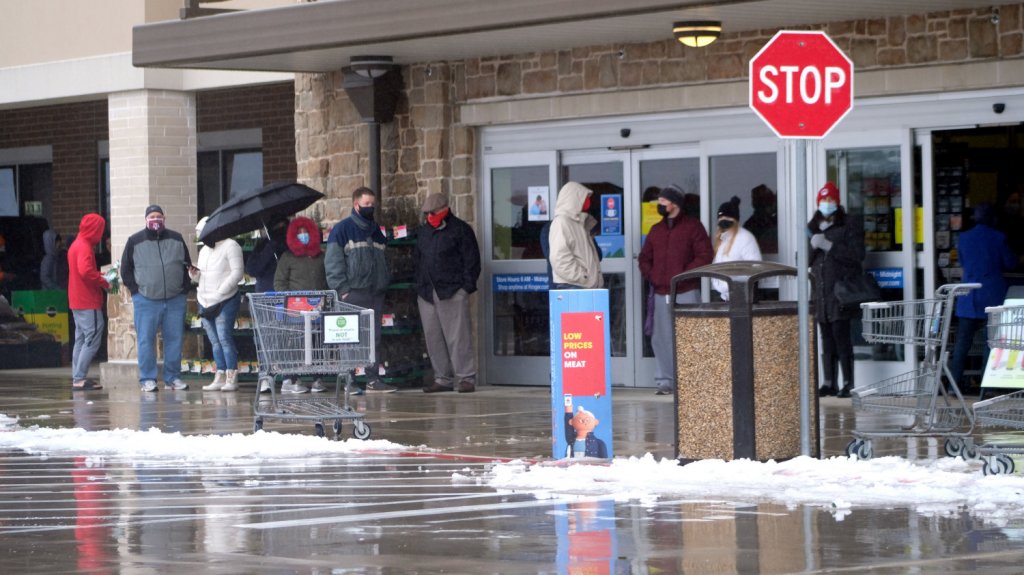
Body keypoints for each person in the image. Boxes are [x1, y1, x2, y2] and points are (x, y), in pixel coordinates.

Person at [638, 184, 714, 395]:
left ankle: (692, 382)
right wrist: (653, 276)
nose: (659, 204)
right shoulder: (656, 230)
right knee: (660, 338)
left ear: (675, 203)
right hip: (661, 293)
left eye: (663, 200)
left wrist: (682, 276)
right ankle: (666, 382)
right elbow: (644, 258)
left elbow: (704, 256)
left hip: (686, 291)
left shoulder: (693, 227)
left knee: (690, 337)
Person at [325, 187, 395, 393]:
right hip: (353, 292)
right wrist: (343, 290)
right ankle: (349, 380)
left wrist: (384, 281)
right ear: (356, 205)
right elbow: (333, 263)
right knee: (349, 338)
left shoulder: (376, 230)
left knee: (373, 338)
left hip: (375, 292)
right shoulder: (342, 230)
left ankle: (373, 379)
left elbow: (385, 258)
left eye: (372, 204)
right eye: (367, 204)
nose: (370, 208)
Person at [120, 205, 193, 392]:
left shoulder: (177, 239)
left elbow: (187, 265)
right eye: (152, 216)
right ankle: (147, 379)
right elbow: (125, 269)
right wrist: (136, 292)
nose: (155, 219)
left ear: (164, 218)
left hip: (175, 299)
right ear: (146, 219)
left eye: (158, 216)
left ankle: (172, 378)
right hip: (146, 300)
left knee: (174, 340)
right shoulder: (134, 241)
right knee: (145, 340)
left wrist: (183, 290)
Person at [415, 193, 482, 393]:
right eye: (427, 213)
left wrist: (465, 288)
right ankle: (442, 378)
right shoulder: (424, 231)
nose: (430, 216)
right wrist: (419, 286)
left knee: (459, 337)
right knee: (433, 337)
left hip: (452, 291)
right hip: (427, 292)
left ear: (444, 209)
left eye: (433, 212)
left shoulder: (461, 229)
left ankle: (466, 377)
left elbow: (472, 261)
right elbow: (418, 259)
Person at [949, 203, 1019, 392]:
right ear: (993, 218)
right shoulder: (998, 237)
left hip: (968, 295)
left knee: (962, 342)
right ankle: (987, 386)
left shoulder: (964, 238)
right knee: (991, 342)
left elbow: (963, 262)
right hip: (992, 296)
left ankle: (953, 385)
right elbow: (1010, 263)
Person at [808, 182, 865, 398]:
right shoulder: (812, 226)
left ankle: (848, 383)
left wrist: (830, 246)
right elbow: (804, 260)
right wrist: (812, 246)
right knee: (826, 339)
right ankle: (829, 382)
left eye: (831, 199)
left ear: (838, 202)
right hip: (820, 293)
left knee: (842, 338)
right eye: (823, 200)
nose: (827, 203)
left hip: (840, 291)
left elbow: (857, 256)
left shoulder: (849, 224)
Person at [274, 215, 328, 393]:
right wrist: (290, 301)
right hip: (295, 312)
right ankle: (294, 378)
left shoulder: (320, 256)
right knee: (296, 345)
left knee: (317, 343)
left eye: (306, 232)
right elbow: (279, 282)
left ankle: (317, 378)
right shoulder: (287, 257)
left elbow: (327, 279)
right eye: (299, 233)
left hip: (318, 308)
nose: (303, 236)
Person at [191, 216, 244, 393]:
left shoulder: (231, 246)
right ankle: (220, 373)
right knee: (214, 341)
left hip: (225, 299)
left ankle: (232, 375)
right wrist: (194, 275)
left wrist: (221, 291)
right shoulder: (204, 251)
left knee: (224, 338)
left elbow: (237, 273)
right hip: (205, 300)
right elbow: (202, 276)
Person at [67, 213, 109, 391]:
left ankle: (77, 376)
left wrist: (99, 275)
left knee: (81, 339)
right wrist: (103, 280)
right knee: (92, 338)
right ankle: (79, 378)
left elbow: (83, 271)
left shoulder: (76, 244)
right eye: (100, 230)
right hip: (87, 300)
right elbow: (85, 271)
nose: (101, 235)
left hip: (76, 300)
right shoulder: (85, 247)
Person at [548, 182, 603, 290]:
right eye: (584, 197)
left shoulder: (580, 223)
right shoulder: (562, 222)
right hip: (573, 287)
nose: (587, 201)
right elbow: (559, 258)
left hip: (584, 286)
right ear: (573, 198)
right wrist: (582, 277)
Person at [711, 196, 762, 301]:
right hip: (725, 297)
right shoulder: (722, 239)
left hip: (742, 297)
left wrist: (737, 285)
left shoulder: (745, 237)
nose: (723, 221)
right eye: (720, 218)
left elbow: (756, 267)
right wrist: (718, 285)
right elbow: (716, 265)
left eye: (727, 218)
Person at [245, 216, 289, 293]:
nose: (281, 230)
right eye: (277, 227)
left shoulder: (291, 245)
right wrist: (270, 247)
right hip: (266, 294)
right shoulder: (262, 246)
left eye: (283, 227)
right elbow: (252, 270)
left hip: (287, 291)